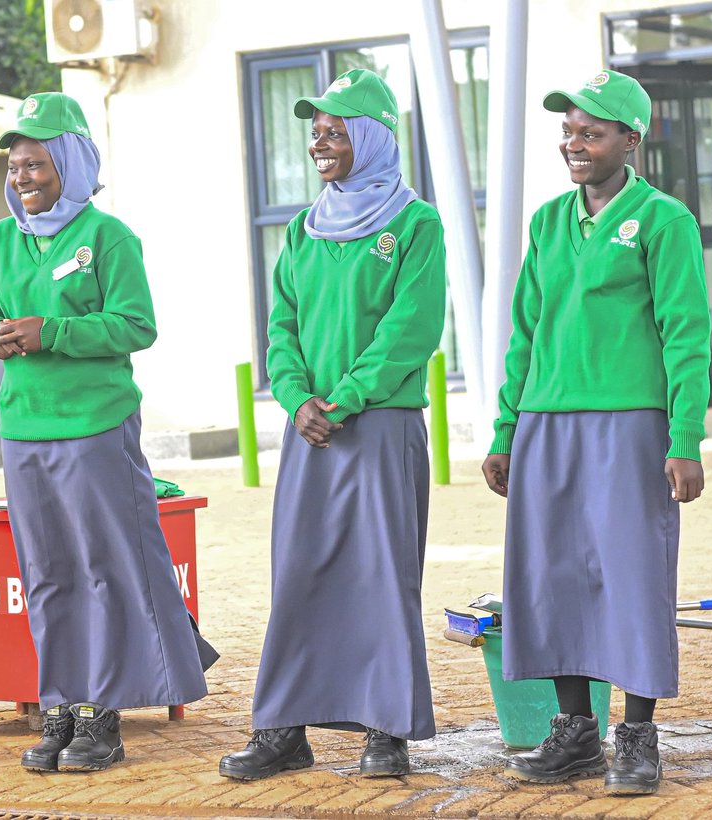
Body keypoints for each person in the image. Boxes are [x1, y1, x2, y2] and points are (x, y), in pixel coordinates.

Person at [0, 92, 216, 773]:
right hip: (24, 428)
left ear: (70, 165)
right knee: (46, 575)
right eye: (15, 166)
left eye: (36, 164)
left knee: (104, 570)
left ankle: (102, 714)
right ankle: (60, 707)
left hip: (95, 426)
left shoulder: (108, 237)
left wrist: (54, 332)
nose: (22, 177)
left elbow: (137, 325)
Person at [482, 69, 710, 796]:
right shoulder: (548, 222)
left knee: (631, 575)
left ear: (630, 140)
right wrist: (505, 428)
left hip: (630, 424)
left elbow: (686, 336)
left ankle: (636, 739)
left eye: (592, 132)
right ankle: (576, 732)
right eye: (569, 131)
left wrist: (685, 438)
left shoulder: (665, 221)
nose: (574, 144)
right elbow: (525, 333)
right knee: (552, 576)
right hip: (546, 422)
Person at [218, 69, 446, 781]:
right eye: (315, 132)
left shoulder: (415, 224)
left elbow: (411, 331)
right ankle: (283, 730)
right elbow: (281, 325)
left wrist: (342, 400)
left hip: (378, 428)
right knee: (299, 574)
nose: (319, 142)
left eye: (336, 131)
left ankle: (386, 729)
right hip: (310, 430)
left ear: (372, 138)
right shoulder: (303, 229)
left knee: (381, 577)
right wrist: (296, 399)